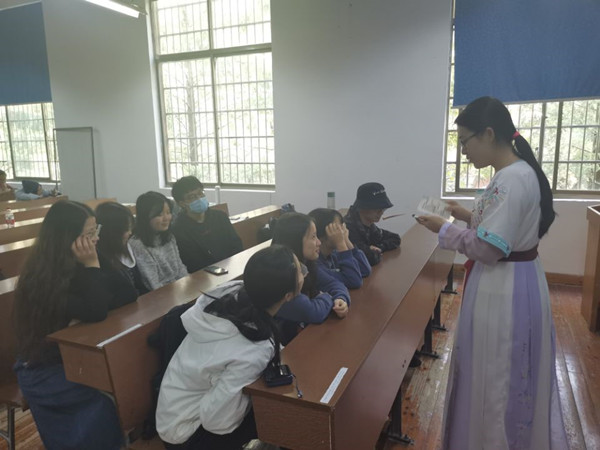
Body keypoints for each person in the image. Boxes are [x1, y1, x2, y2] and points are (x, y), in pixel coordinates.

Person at [415, 96, 567, 449]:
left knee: (497, 375)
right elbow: (502, 229)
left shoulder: (512, 179)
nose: (463, 150)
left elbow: (490, 248)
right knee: (496, 371)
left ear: (487, 133)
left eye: (465, 141)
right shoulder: (514, 173)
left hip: (505, 289)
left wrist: (444, 228)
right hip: (512, 280)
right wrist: (465, 215)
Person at [13, 201, 137, 450]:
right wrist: (92, 267)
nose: (95, 239)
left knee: (131, 380)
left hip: (78, 357)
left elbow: (128, 293)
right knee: (109, 398)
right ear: (67, 238)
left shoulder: (82, 260)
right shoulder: (41, 278)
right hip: (43, 369)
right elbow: (96, 310)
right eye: (89, 234)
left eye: (95, 231)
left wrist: (95, 260)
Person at [156, 245, 303, 449]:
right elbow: (217, 422)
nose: (303, 273)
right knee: (280, 412)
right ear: (288, 295)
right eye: (300, 270)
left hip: (174, 411)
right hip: (186, 434)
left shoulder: (236, 293)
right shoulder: (253, 350)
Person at [272, 212, 350, 343]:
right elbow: (313, 312)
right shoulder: (279, 276)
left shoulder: (307, 264)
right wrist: (328, 296)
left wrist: (340, 299)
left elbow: (335, 284)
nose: (319, 242)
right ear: (295, 240)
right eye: (313, 237)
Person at [171, 176, 243, 273]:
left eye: (200, 193)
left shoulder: (220, 217)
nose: (199, 199)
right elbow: (191, 262)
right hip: (204, 275)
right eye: (192, 197)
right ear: (182, 203)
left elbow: (236, 244)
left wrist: (232, 266)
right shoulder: (178, 229)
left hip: (232, 267)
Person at [129, 191, 188, 291]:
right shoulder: (137, 244)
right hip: (160, 295)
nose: (166, 218)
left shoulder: (169, 236)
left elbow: (180, 268)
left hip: (178, 289)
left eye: (168, 212)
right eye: (159, 214)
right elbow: (152, 283)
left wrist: (189, 286)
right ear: (145, 216)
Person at [308, 207, 371, 289]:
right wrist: (341, 244)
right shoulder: (315, 265)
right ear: (322, 232)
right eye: (337, 228)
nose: (343, 231)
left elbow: (364, 270)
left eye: (342, 226)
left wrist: (347, 241)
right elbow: (354, 281)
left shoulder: (333, 254)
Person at [343, 182, 401, 266]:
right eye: (377, 209)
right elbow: (369, 258)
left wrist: (379, 248)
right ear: (362, 208)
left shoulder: (370, 226)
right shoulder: (347, 229)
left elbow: (395, 238)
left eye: (383, 209)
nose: (381, 213)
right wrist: (371, 251)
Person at [95, 201, 146, 295]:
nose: (130, 233)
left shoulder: (126, 246)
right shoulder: (101, 260)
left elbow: (140, 284)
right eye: (126, 229)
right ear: (112, 232)